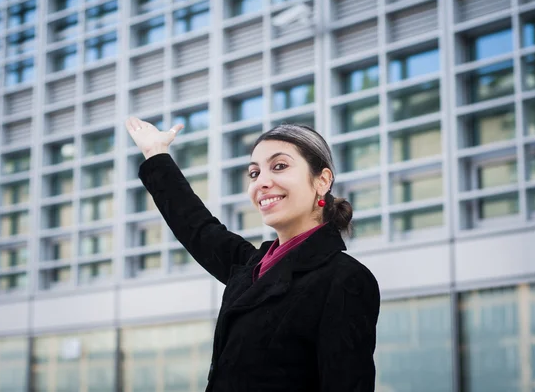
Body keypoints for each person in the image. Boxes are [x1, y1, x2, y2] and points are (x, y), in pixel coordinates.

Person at [125, 117, 380, 392]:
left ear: (322, 180)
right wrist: (156, 154)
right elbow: (196, 227)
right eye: (255, 173)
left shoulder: (344, 279)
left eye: (279, 166)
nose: (262, 182)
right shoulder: (252, 267)